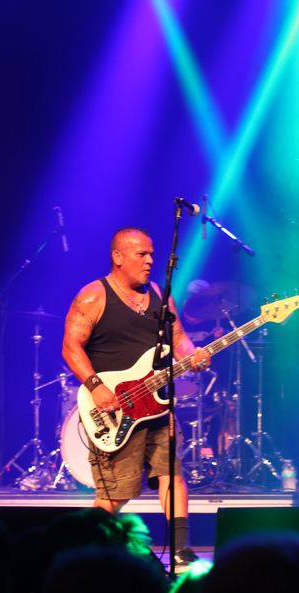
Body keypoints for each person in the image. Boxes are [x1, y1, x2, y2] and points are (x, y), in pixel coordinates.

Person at [61, 227, 211, 572]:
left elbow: (179, 339)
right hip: (115, 410)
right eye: (141, 254)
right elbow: (70, 347)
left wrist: (194, 354)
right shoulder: (93, 296)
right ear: (118, 257)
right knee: (115, 493)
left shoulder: (159, 294)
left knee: (171, 474)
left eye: (152, 254)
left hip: (158, 404)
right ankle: (79, 551)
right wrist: (96, 386)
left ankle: (181, 551)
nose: (149, 261)